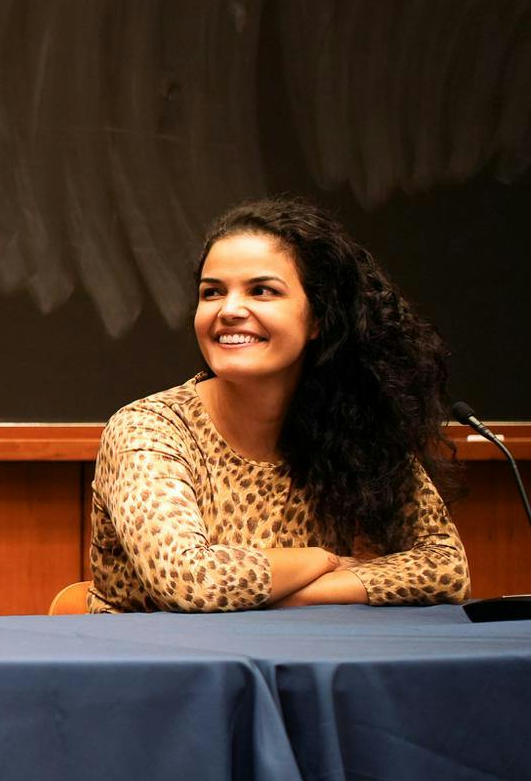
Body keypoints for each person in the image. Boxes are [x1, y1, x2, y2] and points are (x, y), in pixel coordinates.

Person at [89, 198, 468, 612]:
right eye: (212, 292)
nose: (230, 310)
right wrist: (322, 561)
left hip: (304, 664)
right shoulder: (148, 429)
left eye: (262, 291)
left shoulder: (356, 425)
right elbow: (191, 582)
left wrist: (297, 592)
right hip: (160, 668)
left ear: (319, 318)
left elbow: (446, 569)